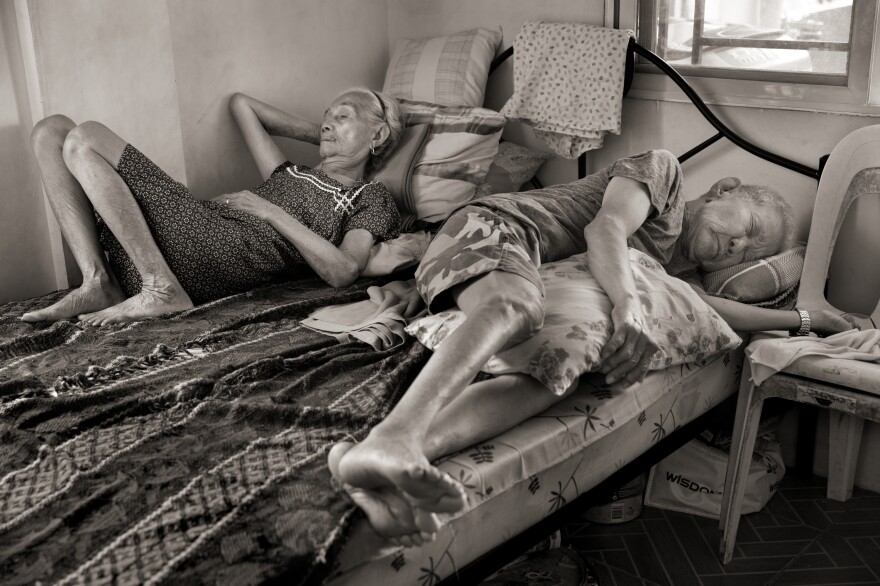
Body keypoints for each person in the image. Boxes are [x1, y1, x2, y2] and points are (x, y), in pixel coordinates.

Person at [328, 149, 856, 547]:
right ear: (725, 188)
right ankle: (390, 438)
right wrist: (628, 306)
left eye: (745, 253)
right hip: (498, 229)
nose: (737, 247)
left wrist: (808, 320)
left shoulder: (676, 272)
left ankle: (405, 456)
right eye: (748, 228)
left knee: (553, 376)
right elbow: (605, 229)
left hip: (533, 272)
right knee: (517, 308)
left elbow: (713, 309)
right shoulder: (661, 173)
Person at [21, 88, 403, 325]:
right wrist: (323, 136)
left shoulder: (369, 196)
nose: (328, 122)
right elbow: (243, 106)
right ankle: (99, 281)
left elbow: (344, 270)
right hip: (170, 240)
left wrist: (269, 211)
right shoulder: (289, 170)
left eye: (343, 116)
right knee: (50, 131)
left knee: (85, 137)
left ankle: (160, 289)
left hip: (212, 250)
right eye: (327, 115)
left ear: (379, 133)